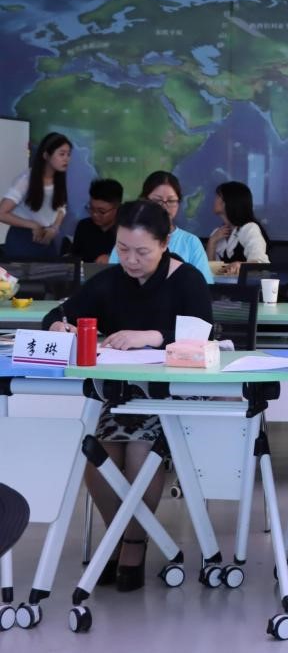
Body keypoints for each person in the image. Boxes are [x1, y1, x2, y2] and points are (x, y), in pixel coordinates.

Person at [43, 200, 213, 591]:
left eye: (142, 252)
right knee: (98, 452)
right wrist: (58, 327)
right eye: (123, 249)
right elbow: (59, 314)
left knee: (138, 449)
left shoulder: (186, 280)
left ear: (165, 244)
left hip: (179, 392)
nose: (131, 260)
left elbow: (204, 336)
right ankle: (120, 535)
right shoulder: (111, 280)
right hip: (126, 394)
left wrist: (151, 337)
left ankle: (132, 544)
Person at [110, 172, 214, 283]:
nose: (164, 206)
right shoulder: (127, 239)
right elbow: (112, 281)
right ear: (144, 200)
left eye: (171, 201)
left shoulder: (191, 242)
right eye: (157, 200)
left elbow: (204, 284)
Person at [0, 132, 72, 258]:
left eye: (68, 154)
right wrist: (33, 225)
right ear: (46, 155)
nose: (66, 159)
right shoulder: (26, 179)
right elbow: (2, 213)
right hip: (22, 238)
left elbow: (61, 207)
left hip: (46, 238)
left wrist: (55, 227)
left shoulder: (59, 179)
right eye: (62, 154)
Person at [205, 181, 270, 275]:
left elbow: (261, 263)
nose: (214, 200)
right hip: (221, 284)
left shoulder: (249, 228)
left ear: (228, 201)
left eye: (218, 196)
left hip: (248, 284)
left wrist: (239, 265)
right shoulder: (216, 233)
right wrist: (212, 242)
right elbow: (211, 272)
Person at [71, 178, 123, 263]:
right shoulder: (83, 226)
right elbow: (75, 256)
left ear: (117, 208)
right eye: (91, 208)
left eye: (101, 211)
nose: (95, 214)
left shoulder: (126, 231)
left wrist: (113, 258)